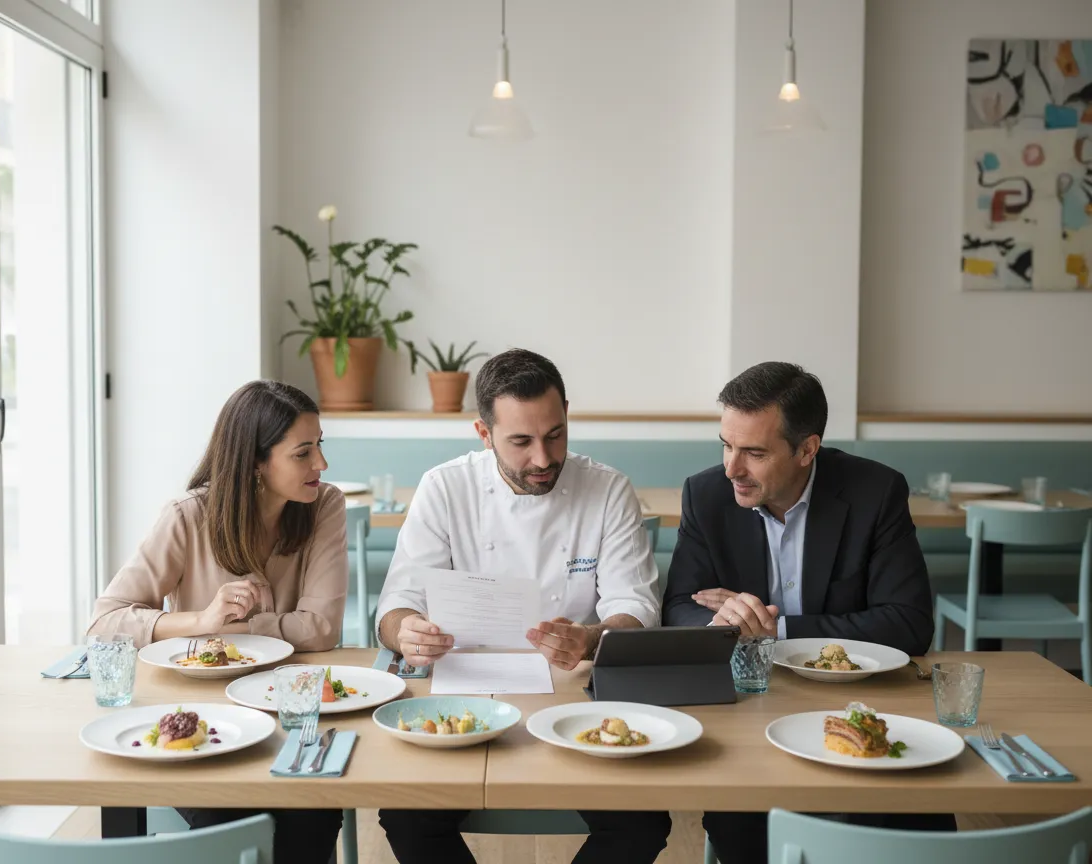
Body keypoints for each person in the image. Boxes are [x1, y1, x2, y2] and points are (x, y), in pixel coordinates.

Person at [374, 348, 670, 864]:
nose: (543, 457)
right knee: (406, 815)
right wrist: (408, 633)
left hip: (577, 695)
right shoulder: (445, 488)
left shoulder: (608, 489)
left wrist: (591, 636)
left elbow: (636, 606)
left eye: (555, 434)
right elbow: (396, 606)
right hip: (465, 693)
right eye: (521, 441)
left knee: (643, 821)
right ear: (483, 434)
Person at [662, 361, 949, 864]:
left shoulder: (874, 492)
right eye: (726, 445)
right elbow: (680, 607)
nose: (732, 468)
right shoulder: (706, 495)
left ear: (807, 449)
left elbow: (908, 623)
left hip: (862, 706)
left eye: (753, 452)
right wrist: (721, 626)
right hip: (749, 707)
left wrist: (774, 630)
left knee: (910, 819)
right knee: (743, 826)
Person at [88, 380, 347, 863]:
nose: (321, 466)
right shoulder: (188, 517)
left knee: (312, 811)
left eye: (320, 447)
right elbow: (105, 622)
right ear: (255, 460)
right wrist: (200, 621)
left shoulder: (324, 506)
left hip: (291, 716)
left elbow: (322, 628)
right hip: (204, 723)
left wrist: (228, 632)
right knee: (233, 819)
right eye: (303, 453)